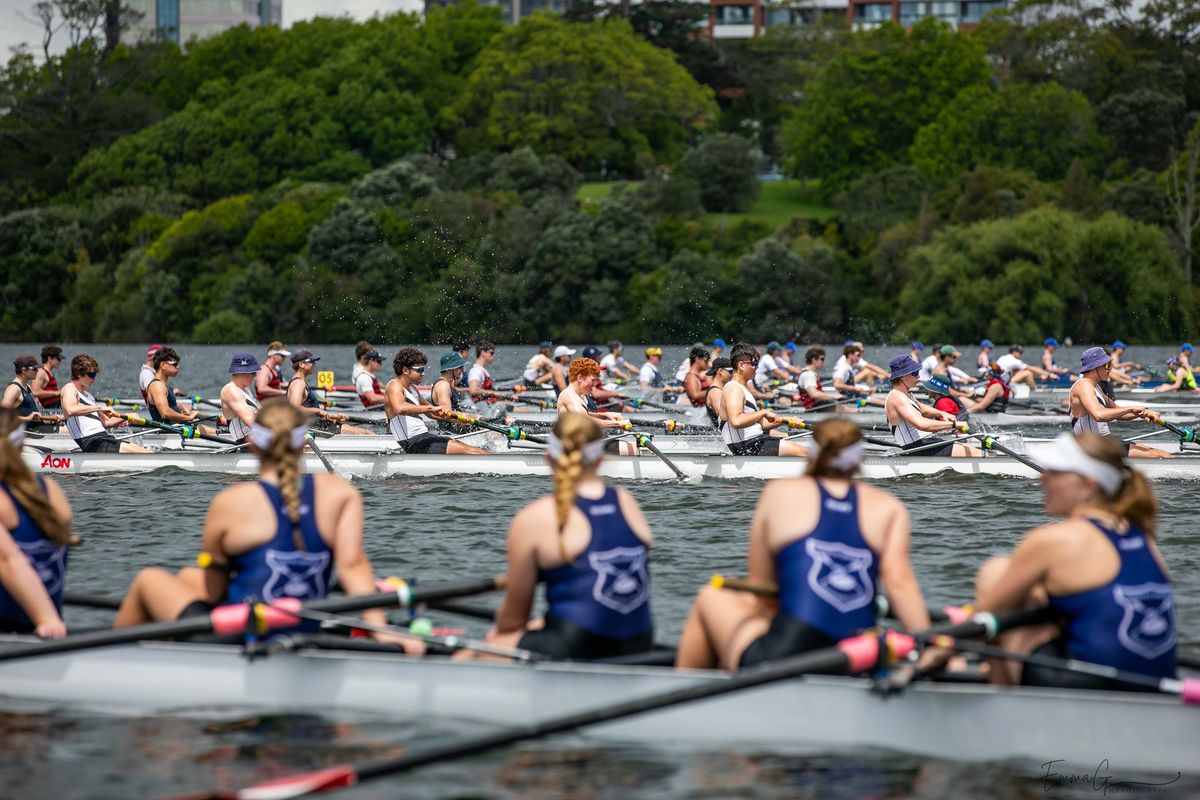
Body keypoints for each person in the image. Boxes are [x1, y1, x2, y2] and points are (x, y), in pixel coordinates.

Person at [114, 400, 421, 653]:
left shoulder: (230, 502)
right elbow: (353, 568)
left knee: (149, 579)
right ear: (303, 444)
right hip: (306, 628)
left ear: (255, 446)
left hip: (242, 638)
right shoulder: (341, 494)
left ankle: (125, 666)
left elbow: (214, 591)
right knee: (185, 576)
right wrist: (381, 632)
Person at [675, 419, 933, 670]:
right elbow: (900, 585)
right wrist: (929, 645)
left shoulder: (779, 492)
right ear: (859, 460)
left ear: (813, 454)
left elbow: (763, 593)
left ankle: (685, 697)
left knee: (711, 596)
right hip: (860, 650)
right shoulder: (890, 508)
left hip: (788, 654)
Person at [973, 432, 1175, 689]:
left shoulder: (1051, 540)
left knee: (995, 571)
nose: (1041, 478)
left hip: (1086, 686)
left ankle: (1000, 698)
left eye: (1055, 471)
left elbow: (984, 618)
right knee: (1047, 597)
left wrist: (934, 655)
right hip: (1156, 681)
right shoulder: (1141, 534)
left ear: (1088, 485)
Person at [471, 413, 654, 660]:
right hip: (640, 641)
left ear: (549, 457)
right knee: (542, 625)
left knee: (481, 648)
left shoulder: (534, 517)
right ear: (601, 459)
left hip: (578, 645)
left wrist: (500, 635)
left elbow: (513, 620)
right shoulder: (626, 501)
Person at [0, 409, 75, 637]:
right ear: (22, 444)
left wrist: (46, 619)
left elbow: (9, 559)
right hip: (47, 624)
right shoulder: (51, 491)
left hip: (18, 631)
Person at [1069, 347, 1168, 458]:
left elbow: (1118, 411)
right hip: (1092, 446)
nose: (1110, 369)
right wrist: (1131, 409)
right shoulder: (1083, 386)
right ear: (1094, 367)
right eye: (1107, 365)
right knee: (1162, 455)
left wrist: (1145, 412)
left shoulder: (1095, 387)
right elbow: (1099, 415)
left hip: (1105, 442)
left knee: (1160, 453)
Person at [385, 348, 488, 455]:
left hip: (423, 437)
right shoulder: (394, 385)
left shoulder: (413, 389)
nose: (423, 374)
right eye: (419, 370)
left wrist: (460, 417)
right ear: (406, 370)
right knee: (476, 452)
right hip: (412, 442)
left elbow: (433, 413)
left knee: (476, 449)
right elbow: (400, 408)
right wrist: (431, 408)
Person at [720, 343, 806, 457]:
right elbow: (736, 421)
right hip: (745, 445)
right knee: (806, 452)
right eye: (754, 363)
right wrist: (763, 412)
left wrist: (785, 420)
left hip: (754, 441)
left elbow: (761, 424)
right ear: (741, 365)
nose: (757, 367)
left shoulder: (743, 389)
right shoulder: (733, 388)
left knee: (803, 447)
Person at [884, 355, 978, 457]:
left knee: (967, 447)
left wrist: (942, 413)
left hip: (924, 442)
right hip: (916, 447)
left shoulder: (906, 393)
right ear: (903, 376)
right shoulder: (897, 398)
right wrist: (954, 424)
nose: (919, 377)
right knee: (975, 453)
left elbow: (922, 409)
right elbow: (921, 424)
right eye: (915, 373)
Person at [60, 355, 150, 454]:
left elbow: (106, 422)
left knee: (137, 448)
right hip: (90, 442)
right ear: (78, 373)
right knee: (139, 451)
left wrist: (126, 417)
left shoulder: (89, 396)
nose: (94, 380)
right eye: (91, 375)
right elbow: (70, 410)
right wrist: (99, 408)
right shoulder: (69, 388)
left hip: (103, 438)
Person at [557, 358, 636, 455]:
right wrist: (617, 424)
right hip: (582, 449)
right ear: (580, 378)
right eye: (593, 380)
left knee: (639, 444)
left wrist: (605, 415)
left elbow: (581, 414)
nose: (594, 385)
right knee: (639, 449)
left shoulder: (575, 395)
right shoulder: (570, 396)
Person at [287, 349, 371, 435]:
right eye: (312, 361)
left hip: (317, 425)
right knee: (367, 433)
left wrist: (333, 417)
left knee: (360, 430)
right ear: (301, 364)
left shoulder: (300, 382)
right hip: (313, 428)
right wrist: (318, 411)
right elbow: (294, 408)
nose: (315, 364)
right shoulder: (298, 384)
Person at [145, 348, 214, 433]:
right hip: (169, 433)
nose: (178, 367)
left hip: (179, 428)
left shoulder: (163, 385)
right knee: (217, 432)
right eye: (174, 364)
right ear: (162, 365)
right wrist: (189, 417)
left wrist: (179, 407)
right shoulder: (157, 386)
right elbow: (165, 412)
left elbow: (167, 406)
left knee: (218, 431)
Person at [2, 355, 62, 431]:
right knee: (66, 430)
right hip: (29, 431)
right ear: (24, 370)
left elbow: (34, 414)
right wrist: (27, 418)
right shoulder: (14, 389)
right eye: (35, 369)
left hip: (38, 427)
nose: (38, 371)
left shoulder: (27, 387)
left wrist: (54, 417)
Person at [220, 353, 262, 444]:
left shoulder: (245, 390)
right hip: (246, 443)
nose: (255, 376)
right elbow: (251, 421)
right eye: (253, 372)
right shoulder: (231, 390)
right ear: (242, 372)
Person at [30, 345, 63, 411]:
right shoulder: (41, 372)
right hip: (50, 411)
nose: (60, 361)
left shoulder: (48, 372)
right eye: (58, 358)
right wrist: (56, 393)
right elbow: (35, 392)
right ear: (49, 359)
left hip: (56, 408)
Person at [704, 357, 732, 428]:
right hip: (723, 436)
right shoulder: (716, 392)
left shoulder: (717, 390)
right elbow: (723, 418)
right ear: (720, 371)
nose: (732, 374)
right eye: (730, 371)